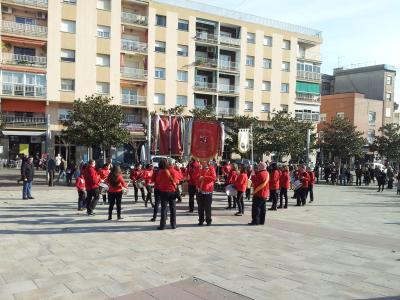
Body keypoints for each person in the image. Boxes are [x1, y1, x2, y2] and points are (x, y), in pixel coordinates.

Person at [155, 158, 181, 230]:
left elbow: (158, 181)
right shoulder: (173, 171)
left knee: (163, 209)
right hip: (172, 191)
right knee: (173, 208)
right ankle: (173, 224)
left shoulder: (161, 172)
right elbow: (179, 179)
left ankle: (162, 225)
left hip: (163, 191)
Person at [196, 161, 217, 226]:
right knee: (200, 207)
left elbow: (213, 178)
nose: (202, 161)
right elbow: (196, 178)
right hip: (200, 190)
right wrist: (197, 186)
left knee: (207, 208)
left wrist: (204, 177)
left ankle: (208, 221)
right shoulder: (199, 168)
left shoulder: (211, 168)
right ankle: (201, 220)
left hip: (208, 190)